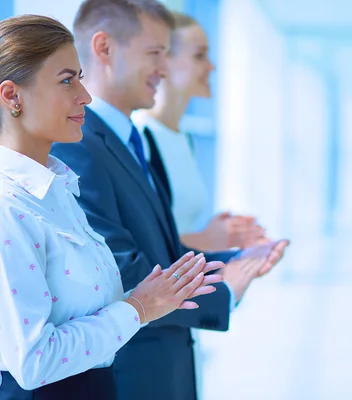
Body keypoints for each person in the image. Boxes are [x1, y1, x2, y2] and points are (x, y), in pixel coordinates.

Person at [50, 1, 289, 399]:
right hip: (128, 377)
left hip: (165, 371)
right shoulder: (78, 146)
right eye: (155, 54)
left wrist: (236, 262)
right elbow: (124, 274)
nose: (163, 68)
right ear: (104, 48)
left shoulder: (133, 139)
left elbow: (163, 252)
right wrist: (225, 291)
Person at [0, 14, 222, 400]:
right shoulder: (8, 208)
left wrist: (149, 299)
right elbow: (33, 360)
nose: (84, 96)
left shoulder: (59, 191)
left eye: (81, 78)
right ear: (11, 95)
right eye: (67, 80)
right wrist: (137, 308)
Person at [131, 11, 284, 397]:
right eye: (199, 55)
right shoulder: (140, 140)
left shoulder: (184, 139)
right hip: (150, 332)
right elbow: (138, 245)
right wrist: (207, 238)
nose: (211, 66)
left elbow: (171, 227)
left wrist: (225, 240)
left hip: (180, 326)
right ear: (164, 60)